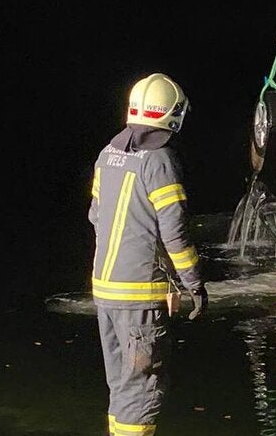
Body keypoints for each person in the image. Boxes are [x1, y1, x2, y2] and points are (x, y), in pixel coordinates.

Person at [88, 73, 207, 436]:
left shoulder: (107, 155)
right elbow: (175, 233)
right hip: (140, 297)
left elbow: (95, 216)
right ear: (173, 115)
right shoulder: (160, 161)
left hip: (105, 292)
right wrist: (194, 284)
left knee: (122, 387)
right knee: (142, 391)